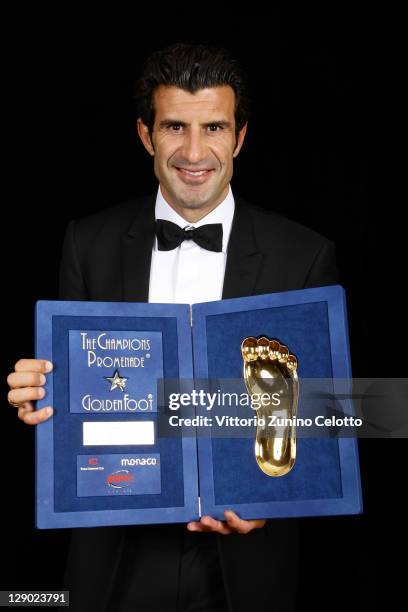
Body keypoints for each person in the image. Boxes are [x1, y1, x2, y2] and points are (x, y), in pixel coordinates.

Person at [6, 42, 338, 612]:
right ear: (145, 135)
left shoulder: (304, 254)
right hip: (115, 553)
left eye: (213, 126)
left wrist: (275, 498)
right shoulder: (89, 243)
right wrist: (40, 396)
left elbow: (332, 415)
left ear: (239, 138)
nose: (193, 150)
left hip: (245, 566)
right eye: (174, 127)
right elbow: (77, 399)